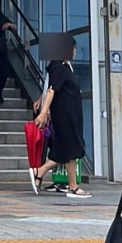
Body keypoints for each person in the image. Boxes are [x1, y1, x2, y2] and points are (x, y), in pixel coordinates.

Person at [33, 36, 90, 197]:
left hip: (70, 114)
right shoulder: (58, 68)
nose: (74, 51)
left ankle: (39, 172)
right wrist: (44, 112)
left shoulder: (64, 67)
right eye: (72, 48)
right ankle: (73, 186)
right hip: (65, 116)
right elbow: (51, 90)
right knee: (72, 148)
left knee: (64, 150)